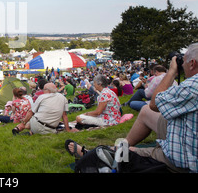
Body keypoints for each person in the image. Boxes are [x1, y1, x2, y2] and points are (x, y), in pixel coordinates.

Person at [67, 43, 198, 173]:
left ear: (192, 63)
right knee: (145, 111)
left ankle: (105, 154)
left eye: (184, 61)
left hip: (182, 159)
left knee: (128, 152)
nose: (182, 64)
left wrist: (171, 71)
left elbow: (154, 103)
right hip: (185, 131)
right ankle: (121, 145)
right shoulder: (109, 91)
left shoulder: (192, 86)